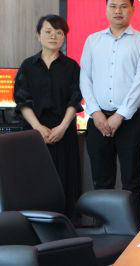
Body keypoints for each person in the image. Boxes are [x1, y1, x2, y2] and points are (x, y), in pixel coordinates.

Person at [80, 0, 140, 228]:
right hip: (98, 120)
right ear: (106, 9)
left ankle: (131, 233)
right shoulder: (93, 41)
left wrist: (120, 115)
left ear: (132, 10)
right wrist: (96, 112)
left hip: (131, 121)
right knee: (102, 181)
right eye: (113, 6)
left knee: (132, 181)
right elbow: (85, 78)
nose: (118, 11)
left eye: (123, 6)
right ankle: (104, 230)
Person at [13, 15, 82, 218]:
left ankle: (66, 225)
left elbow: (75, 99)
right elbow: (22, 100)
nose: (54, 36)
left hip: (63, 130)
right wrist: (38, 128)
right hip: (33, 132)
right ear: (38, 35)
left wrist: (62, 127)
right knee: (34, 179)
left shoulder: (72, 66)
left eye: (59, 32)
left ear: (64, 37)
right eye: (48, 31)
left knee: (65, 179)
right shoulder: (28, 66)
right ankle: (34, 225)